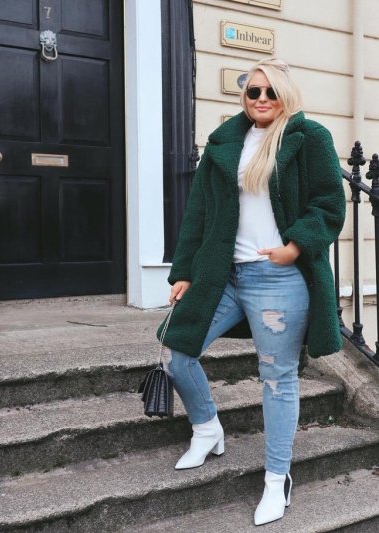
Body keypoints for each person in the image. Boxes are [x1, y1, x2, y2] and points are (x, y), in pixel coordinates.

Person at [157, 58, 346, 526]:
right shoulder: (225, 141)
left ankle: (277, 478)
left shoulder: (309, 138)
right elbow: (199, 212)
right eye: (253, 92)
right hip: (222, 276)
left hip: (278, 279)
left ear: (285, 95)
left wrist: (294, 246)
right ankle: (207, 429)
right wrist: (184, 272)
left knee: (277, 379)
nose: (261, 99)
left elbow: (329, 203)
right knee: (177, 352)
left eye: (270, 92)